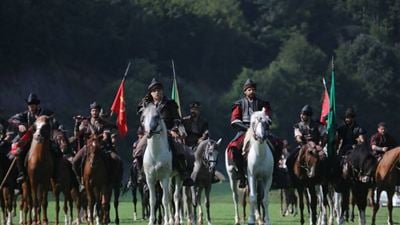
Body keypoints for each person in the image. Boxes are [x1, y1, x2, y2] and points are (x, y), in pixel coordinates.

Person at [136, 78, 194, 186]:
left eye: (159, 90)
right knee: (138, 150)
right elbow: (142, 118)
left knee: (180, 149)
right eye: (154, 90)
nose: (157, 92)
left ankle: (183, 173)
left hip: (168, 133)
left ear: (162, 91)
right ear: (151, 93)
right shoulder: (145, 104)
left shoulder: (170, 104)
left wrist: (174, 130)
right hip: (150, 134)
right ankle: (141, 174)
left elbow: (177, 120)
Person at [226, 78, 272, 188]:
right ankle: (241, 176)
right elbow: (234, 120)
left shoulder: (262, 103)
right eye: (249, 89)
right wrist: (248, 128)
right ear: (245, 92)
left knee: (277, 144)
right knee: (233, 147)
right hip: (244, 130)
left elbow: (268, 117)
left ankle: (274, 171)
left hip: (260, 130)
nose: (251, 91)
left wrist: (262, 123)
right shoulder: (239, 104)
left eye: (253, 89)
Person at [8, 93, 59, 183]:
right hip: (29, 140)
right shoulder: (24, 115)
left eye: (33, 105)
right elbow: (11, 119)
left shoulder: (44, 112)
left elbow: (53, 116)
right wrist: (19, 124)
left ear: (36, 105)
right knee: (19, 153)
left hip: (43, 139)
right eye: (30, 105)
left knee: (55, 150)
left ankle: (55, 173)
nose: (31, 107)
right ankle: (22, 174)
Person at [71, 101, 117, 190]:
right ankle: (81, 181)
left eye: (96, 111)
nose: (94, 112)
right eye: (92, 111)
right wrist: (77, 123)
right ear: (90, 112)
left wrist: (99, 141)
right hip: (88, 146)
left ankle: (111, 180)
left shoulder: (104, 123)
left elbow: (105, 136)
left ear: (99, 111)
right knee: (75, 161)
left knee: (115, 160)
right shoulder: (85, 123)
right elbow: (77, 135)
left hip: (101, 147)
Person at [286, 105, 326, 179]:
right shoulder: (298, 126)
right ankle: (292, 180)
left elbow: (324, 135)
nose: (301, 116)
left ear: (309, 116)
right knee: (289, 160)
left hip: (316, 146)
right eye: (301, 114)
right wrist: (300, 140)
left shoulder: (318, 125)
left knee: (324, 159)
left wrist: (321, 145)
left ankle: (324, 179)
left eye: (304, 114)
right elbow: (297, 136)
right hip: (303, 146)